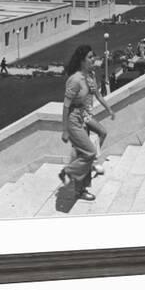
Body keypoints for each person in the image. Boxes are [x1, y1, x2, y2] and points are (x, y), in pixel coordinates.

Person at [59, 45, 115, 201]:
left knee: (86, 155)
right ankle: (70, 176)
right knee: (87, 153)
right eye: (90, 57)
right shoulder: (75, 80)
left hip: (83, 118)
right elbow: (66, 106)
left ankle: (82, 188)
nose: (93, 60)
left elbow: (94, 96)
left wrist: (108, 109)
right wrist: (65, 130)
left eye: (93, 57)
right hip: (74, 121)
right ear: (82, 60)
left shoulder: (87, 77)